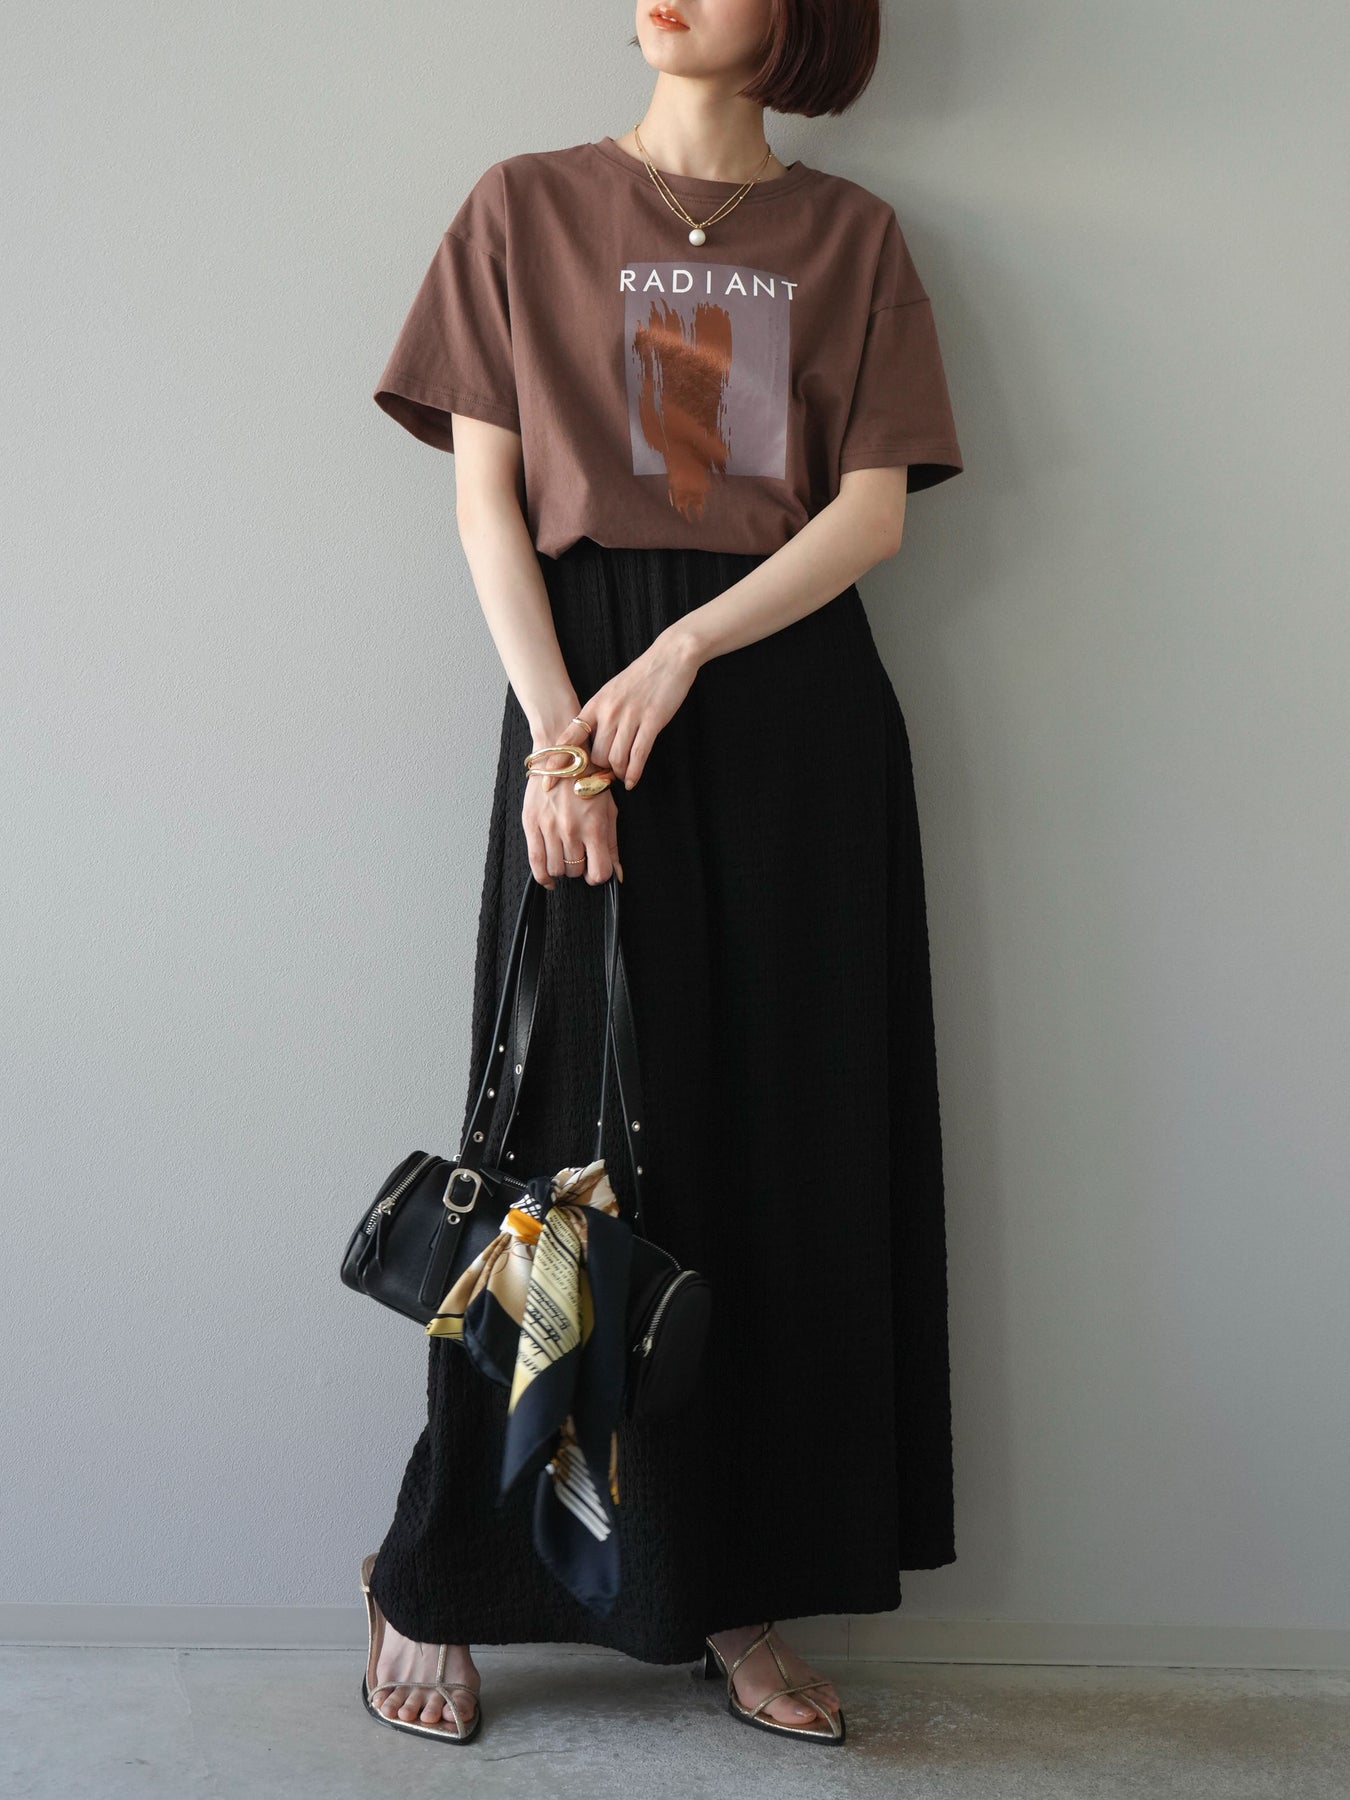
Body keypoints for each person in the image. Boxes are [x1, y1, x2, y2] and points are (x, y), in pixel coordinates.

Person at [360, 0, 964, 1749]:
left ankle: (732, 1585)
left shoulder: (852, 235)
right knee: (560, 1152)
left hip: (783, 708)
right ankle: (434, 1571)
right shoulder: (524, 205)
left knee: (779, 1143)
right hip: (574, 691)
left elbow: (869, 513)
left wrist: (687, 650)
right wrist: (561, 742)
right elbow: (487, 503)